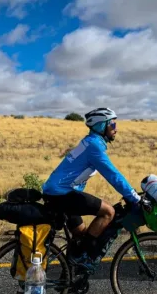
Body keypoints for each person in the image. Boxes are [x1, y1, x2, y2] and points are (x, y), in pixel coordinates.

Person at [42, 107, 142, 273]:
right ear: (101, 126)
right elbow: (113, 175)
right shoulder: (94, 147)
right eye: (113, 124)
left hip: (57, 191)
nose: (116, 128)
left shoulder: (89, 142)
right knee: (108, 212)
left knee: (81, 234)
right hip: (62, 193)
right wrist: (133, 197)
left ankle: (70, 274)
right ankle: (81, 258)